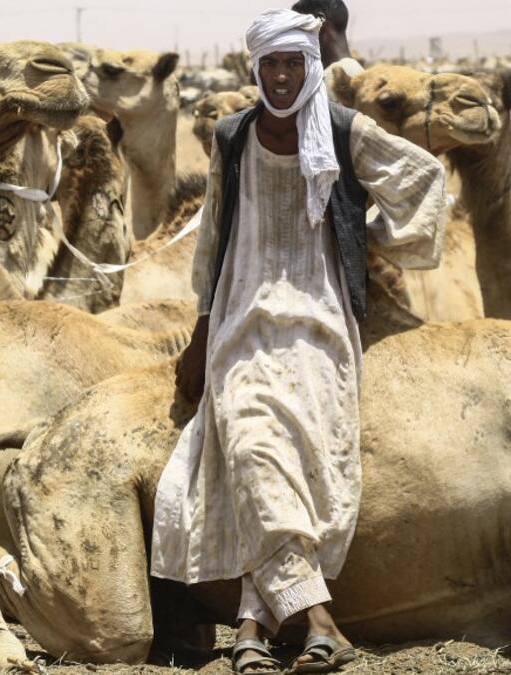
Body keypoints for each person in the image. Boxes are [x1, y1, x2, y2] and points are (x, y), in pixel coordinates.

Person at [151, 9, 446, 675]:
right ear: (255, 68)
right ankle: (317, 620)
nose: (281, 76)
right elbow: (213, 237)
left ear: (308, 65)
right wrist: (201, 332)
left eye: (292, 63)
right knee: (250, 439)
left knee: (303, 445)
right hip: (242, 315)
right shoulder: (232, 135)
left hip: (321, 315)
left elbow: (424, 181)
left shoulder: (343, 130)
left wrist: (365, 236)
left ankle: (252, 623)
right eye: (271, 65)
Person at [292, 0, 363, 92]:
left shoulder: (331, 83)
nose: (296, 38)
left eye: (300, 28)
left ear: (320, 21)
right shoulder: (358, 73)